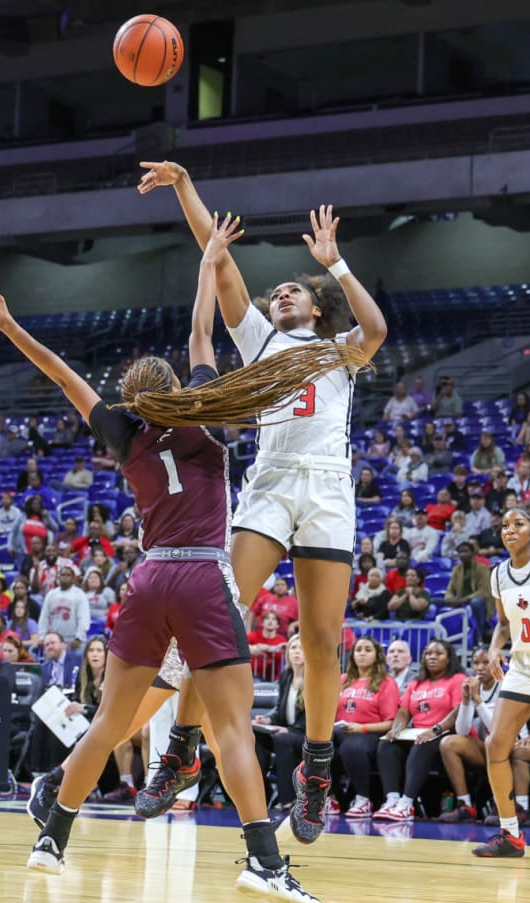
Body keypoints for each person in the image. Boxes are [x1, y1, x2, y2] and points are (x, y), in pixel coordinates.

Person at [0, 211, 358, 903]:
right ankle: (257, 851)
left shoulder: (122, 433)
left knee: (111, 722)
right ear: (174, 389)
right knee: (233, 725)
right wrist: (208, 263)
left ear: (128, 398)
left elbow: (60, 372)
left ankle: (54, 831)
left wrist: (8, 327)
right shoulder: (201, 413)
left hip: (146, 578)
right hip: (202, 572)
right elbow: (202, 331)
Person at [137, 163, 386, 849]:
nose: (281, 294)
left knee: (322, 641)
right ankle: (182, 749)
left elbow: (377, 328)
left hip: (329, 486)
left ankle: (314, 775)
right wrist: (188, 186)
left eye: (294, 291)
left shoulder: (340, 349)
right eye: (276, 291)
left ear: (315, 308)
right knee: (211, 616)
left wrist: (334, 266)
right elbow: (216, 262)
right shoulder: (258, 338)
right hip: (273, 479)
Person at [472, 504, 530, 858]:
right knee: (496, 745)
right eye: (504, 525)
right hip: (525, 663)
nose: (509, 530)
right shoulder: (499, 573)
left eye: (519, 524)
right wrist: (495, 648)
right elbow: (503, 623)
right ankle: (510, 835)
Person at [374, 640, 466, 822]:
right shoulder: (416, 682)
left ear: (448, 659)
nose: (432, 657)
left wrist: (436, 729)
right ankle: (392, 800)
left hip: (446, 733)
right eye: (428, 653)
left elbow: (459, 710)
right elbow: (403, 711)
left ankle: (407, 804)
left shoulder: (457, 679)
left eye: (438, 654)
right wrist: (396, 730)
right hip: (417, 733)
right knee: (387, 744)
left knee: (422, 745)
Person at [438, 646, 522, 823]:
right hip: (489, 747)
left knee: (494, 741)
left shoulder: (507, 685)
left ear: (497, 663)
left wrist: (477, 699)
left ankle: (503, 805)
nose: (480, 667)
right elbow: (462, 730)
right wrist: (467, 699)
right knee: (449, 743)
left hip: (514, 745)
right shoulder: (474, 686)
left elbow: (498, 730)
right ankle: (465, 804)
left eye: (486, 662)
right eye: (475, 663)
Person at [330, 637, 400, 818]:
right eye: (358, 649)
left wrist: (362, 728)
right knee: (320, 746)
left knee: (350, 747)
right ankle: (330, 797)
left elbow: (390, 722)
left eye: (367, 650)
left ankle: (363, 799)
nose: (361, 653)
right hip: (341, 731)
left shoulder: (386, 682)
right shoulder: (342, 679)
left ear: (377, 656)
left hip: (371, 734)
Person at [252, 635, 306, 811]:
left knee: (282, 739)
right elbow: (279, 709)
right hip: (287, 731)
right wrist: (267, 719)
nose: (297, 652)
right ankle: (260, 795)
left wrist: (288, 729)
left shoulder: (314, 679)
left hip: (306, 735)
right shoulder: (286, 675)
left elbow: (314, 717)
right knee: (256, 735)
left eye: (302, 648)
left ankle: (287, 799)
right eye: (293, 648)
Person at [443, 542, 495, 643]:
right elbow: (450, 589)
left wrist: (465, 599)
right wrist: (449, 598)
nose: (463, 554)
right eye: (460, 552)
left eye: (466, 551)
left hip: (480, 601)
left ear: (472, 553)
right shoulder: (456, 569)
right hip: (462, 600)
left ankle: (480, 635)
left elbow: (484, 591)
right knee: (435, 601)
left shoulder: (482, 569)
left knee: (476, 602)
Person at [37, 565, 91, 652]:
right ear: (58, 577)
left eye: (68, 575)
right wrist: (42, 637)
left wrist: (79, 638)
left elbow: (84, 618)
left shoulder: (80, 594)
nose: (65, 577)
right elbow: (44, 617)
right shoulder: (51, 594)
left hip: (73, 641)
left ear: (73, 578)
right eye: (63, 575)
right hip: (54, 640)